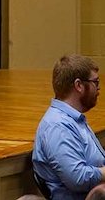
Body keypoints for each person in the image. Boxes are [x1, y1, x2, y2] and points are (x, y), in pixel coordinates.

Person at [32, 54, 105, 200]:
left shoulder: (74, 120)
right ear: (78, 85)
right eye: (95, 82)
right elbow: (78, 179)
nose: (99, 88)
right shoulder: (57, 126)